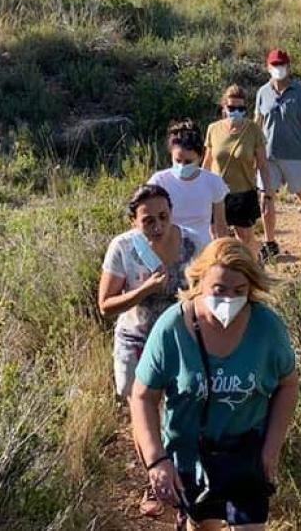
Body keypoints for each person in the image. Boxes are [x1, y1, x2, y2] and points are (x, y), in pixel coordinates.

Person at [131, 238, 299, 531]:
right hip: (191, 457)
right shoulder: (172, 329)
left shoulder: (267, 327)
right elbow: (143, 397)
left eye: (239, 291)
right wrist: (157, 460)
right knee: (203, 525)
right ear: (200, 282)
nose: (229, 298)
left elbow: (288, 384)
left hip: (246, 453)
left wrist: (271, 448)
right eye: (219, 289)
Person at [98, 184, 205, 518]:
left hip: (180, 340)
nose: (157, 226)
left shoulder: (192, 243)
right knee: (142, 408)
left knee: (176, 411)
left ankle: (185, 478)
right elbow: (105, 305)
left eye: (163, 216)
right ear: (134, 222)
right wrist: (143, 289)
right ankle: (155, 483)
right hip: (135, 338)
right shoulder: (123, 247)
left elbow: (207, 291)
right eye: (148, 221)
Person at [255, 49, 301, 258]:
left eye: (281, 64)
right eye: (274, 65)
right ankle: (270, 242)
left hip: (295, 155)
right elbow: (257, 124)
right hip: (268, 157)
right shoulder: (262, 93)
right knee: (266, 197)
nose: (278, 69)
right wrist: (251, 154)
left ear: (289, 66)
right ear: (268, 67)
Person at [204, 85, 273, 258]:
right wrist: (198, 188)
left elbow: (263, 165)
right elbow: (208, 161)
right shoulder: (213, 129)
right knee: (217, 239)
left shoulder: (253, 130)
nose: (236, 111)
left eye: (241, 108)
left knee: (245, 239)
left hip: (244, 192)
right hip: (217, 194)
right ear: (224, 108)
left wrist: (268, 192)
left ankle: (251, 270)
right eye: (232, 108)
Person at [149, 121, 230, 249]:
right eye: (178, 161)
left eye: (188, 162)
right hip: (169, 251)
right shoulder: (159, 182)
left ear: (200, 157)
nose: (182, 166)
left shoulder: (213, 182)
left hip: (202, 252)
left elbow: (220, 226)